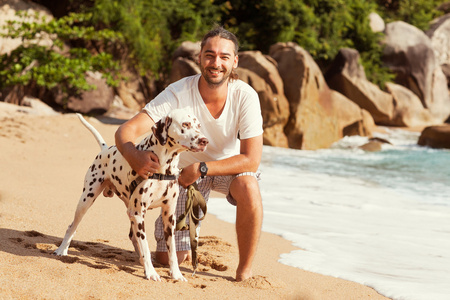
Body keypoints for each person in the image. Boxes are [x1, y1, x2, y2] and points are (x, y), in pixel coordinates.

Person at [115, 25, 263, 282]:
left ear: (234, 61)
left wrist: (202, 168)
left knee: (249, 184)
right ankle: (164, 241)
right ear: (199, 58)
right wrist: (133, 155)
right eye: (209, 55)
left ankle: (244, 272)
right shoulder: (178, 92)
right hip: (179, 176)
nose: (216, 62)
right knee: (169, 259)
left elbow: (252, 158)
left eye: (224, 57)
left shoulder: (245, 96)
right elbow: (125, 131)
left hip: (221, 169)